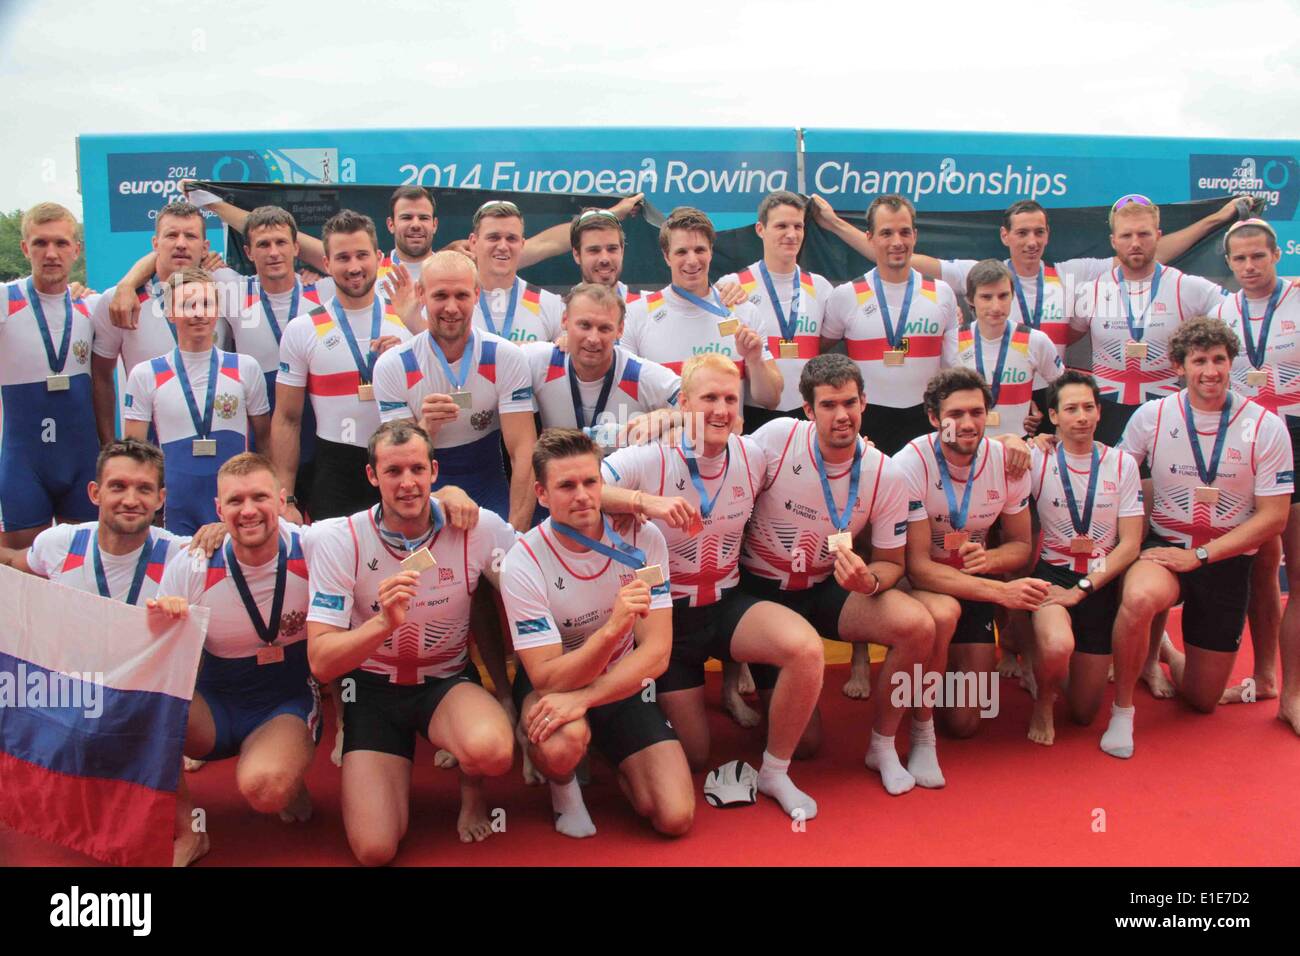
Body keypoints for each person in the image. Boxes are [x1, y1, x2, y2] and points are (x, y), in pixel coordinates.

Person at [599, 353, 824, 820]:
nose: (721, 410)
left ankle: (775, 771)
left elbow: (821, 445)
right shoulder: (649, 455)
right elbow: (578, 489)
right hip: (667, 620)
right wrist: (643, 501)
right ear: (682, 403)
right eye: (708, 399)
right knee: (697, 756)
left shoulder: (754, 453)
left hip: (727, 603)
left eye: (729, 399)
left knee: (805, 652)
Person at [305, 421, 518, 863]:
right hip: (373, 693)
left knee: (494, 751)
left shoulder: (478, 527)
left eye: (417, 469)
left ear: (434, 471)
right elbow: (322, 663)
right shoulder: (337, 538)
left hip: (445, 681)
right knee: (375, 850)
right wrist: (382, 624)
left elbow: (534, 580)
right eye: (393, 471)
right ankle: (388, 770)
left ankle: (472, 792)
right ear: (371, 476)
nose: (407, 483)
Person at [740, 355, 936, 794]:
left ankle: (883, 744)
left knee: (918, 626)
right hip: (761, 593)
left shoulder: (885, 471)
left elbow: (892, 562)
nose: (842, 415)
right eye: (828, 405)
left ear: (864, 402)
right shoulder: (776, 437)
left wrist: (869, 582)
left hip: (824, 587)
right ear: (808, 410)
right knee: (806, 745)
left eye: (850, 402)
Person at [1105, 317, 1292, 757]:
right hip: (1165, 546)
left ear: (1232, 364)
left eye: (1219, 360)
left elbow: (1274, 519)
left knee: (1203, 700)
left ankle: (1166, 652)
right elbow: (1111, 474)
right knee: (1139, 599)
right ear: (1179, 366)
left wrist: (1203, 555)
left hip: (1225, 558)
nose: (1210, 371)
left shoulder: (1265, 426)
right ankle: (1122, 712)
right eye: (1199, 360)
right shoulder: (1152, 416)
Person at [499, 428, 693, 837]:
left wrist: (588, 698)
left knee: (673, 816)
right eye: (566, 486)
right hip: (557, 687)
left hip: (616, 683)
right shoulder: (523, 561)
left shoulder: (642, 539)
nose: (582, 495)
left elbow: (656, 654)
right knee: (560, 744)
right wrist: (611, 630)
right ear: (542, 493)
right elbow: (546, 676)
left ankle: (603, 745)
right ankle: (564, 790)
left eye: (590, 482)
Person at [819, 193, 962, 697]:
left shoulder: (942, 295)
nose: (896, 242)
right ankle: (860, 654)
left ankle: (920, 631)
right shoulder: (844, 297)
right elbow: (825, 363)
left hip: (922, 428)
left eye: (904, 232)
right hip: (867, 425)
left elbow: (952, 374)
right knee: (857, 534)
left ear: (914, 236)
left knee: (916, 532)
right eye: (886, 233)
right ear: (871, 239)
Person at [149, 453, 321, 866]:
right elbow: (154, 657)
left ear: (282, 501)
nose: (247, 511)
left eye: (259, 497)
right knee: (147, 707)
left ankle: (283, 763)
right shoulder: (192, 565)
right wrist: (165, 620)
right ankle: (190, 831)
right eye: (235, 501)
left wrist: (447, 498)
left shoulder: (315, 549)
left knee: (266, 788)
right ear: (218, 509)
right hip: (217, 703)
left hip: (285, 701)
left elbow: (377, 529)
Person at [892, 368, 1046, 782]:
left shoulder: (1007, 462)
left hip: (974, 585)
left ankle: (925, 677)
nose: (967, 424)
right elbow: (918, 567)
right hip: (924, 585)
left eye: (977, 412)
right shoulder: (909, 464)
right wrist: (999, 591)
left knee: (965, 723)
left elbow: (1020, 546)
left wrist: (991, 561)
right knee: (941, 616)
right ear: (932, 417)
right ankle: (920, 727)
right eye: (955, 414)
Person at [372, 250, 538, 530]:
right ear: (421, 294)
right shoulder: (394, 365)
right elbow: (399, 464)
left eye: (461, 295)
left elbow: (523, 451)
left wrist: (515, 534)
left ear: (476, 294)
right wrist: (426, 428)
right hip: (426, 490)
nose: (451, 307)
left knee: (500, 567)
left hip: (490, 485)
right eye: (440, 296)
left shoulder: (504, 356)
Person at [1026, 371, 1144, 745]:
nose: (1081, 417)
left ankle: (1052, 665)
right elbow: (991, 451)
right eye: (1071, 409)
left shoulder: (1123, 464)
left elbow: (1130, 545)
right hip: (1052, 575)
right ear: (1054, 416)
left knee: (1083, 713)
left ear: (1099, 413)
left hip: (1099, 580)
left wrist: (1084, 589)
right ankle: (1044, 698)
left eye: (1089, 408)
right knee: (1059, 645)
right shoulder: (1036, 458)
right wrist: (1018, 438)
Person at [1214, 219, 1300, 731]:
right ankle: (1265, 675)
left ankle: (1293, 692)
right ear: (1228, 263)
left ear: (1276, 255)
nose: (1249, 267)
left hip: (1297, 429)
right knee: (1262, 565)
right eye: (1240, 259)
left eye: (1258, 257)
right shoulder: (1223, 310)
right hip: (1247, 440)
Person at [273, 210, 412, 521]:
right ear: (326, 263)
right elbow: (287, 418)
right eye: (342, 257)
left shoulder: (409, 321)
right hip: (334, 473)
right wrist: (287, 498)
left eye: (362, 255)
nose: (353, 267)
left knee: (408, 565)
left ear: (378, 257)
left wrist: (409, 356)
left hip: (400, 465)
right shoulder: (302, 329)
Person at [1070, 195, 1229, 448]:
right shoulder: (1092, 291)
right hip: (1105, 411)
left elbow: (1242, 309)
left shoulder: (1185, 286)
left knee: (1161, 485)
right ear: (1113, 241)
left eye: (1144, 234)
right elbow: (1062, 339)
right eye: (1126, 236)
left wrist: (1289, 291)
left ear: (1158, 235)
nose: (1135, 243)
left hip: (1165, 408)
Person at [122, 267, 269, 535]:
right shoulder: (146, 375)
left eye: (205, 303)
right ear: (170, 312)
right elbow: (135, 455)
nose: (198, 312)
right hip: (176, 507)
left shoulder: (245, 368)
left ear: (217, 309)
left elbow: (266, 442)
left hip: (237, 505)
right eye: (187, 305)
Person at [91, 200, 231, 445]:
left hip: (216, 435)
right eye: (171, 235)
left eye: (190, 236)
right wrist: (108, 445)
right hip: (149, 442)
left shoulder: (227, 292)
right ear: (155, 244)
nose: (180, 243)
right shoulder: (120, 300)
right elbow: (101, 376)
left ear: (205, 247)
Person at [0, 202, 98, 550]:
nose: (51, 253)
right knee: (22, 568)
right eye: (40, 243)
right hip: (25, 464)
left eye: (60, 243)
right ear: (25, 248)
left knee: (82, 568)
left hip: (81, 461)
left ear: (77, 249)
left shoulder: (91, 306)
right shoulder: (5, 300)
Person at [623, 206, 784, 412]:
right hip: (663, 442)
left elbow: (771, 399)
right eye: (681, 251)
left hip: (724, 442)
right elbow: (625, 399)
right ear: (666, 256)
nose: (692, 260)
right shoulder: (637, 314)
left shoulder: (743, 311)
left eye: (699, 250)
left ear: (711, 252)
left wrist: (754, 360)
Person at [0, 439, 195, 606]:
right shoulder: (60, 543)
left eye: (144, 489)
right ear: (95, 493)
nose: (130, 501)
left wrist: (219, 530)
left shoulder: (181, 554)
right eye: (118, 487)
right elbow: (11, 562)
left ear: (160, 499)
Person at [718, 191, 836, 430]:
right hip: (755, 412)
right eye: (781, 226)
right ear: (760, 229)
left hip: (808, 412)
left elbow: (826, 343)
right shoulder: (732, 285)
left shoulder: (821, 287)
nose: (791, 235)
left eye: (798, 226)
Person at [523, 283, 681, 440]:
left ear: (620, 330)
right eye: (584, 325)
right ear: (565, 320)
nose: (593, 339)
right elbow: (501, 353)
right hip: (563, 463)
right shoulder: (542, 361)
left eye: (604, 328)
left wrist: (669, 416)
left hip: (624, 465)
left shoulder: (638, 374)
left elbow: (698, 404)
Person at [954, 260, 1063, 437]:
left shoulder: (1036, 341)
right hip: (968, 446)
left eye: (1003, 296)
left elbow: (1063, 390)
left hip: (1019, 448)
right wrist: (950, 440)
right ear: (970, 299)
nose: (996, 306)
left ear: (1012, 295)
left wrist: (1049, 419)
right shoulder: (953, 340)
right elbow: (939, 400)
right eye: (986, 297)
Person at [468, 200, 563, 346]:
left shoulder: (550, 304)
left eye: (511, 239)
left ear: (522, 245)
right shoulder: (452, 302)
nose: (503, 246)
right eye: (493, 237)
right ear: (473, 243)